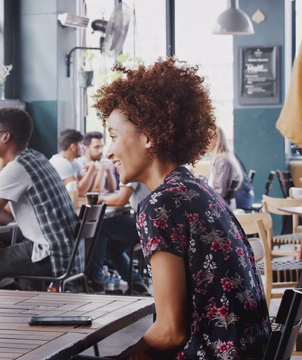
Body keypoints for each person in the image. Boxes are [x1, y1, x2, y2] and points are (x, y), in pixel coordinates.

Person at [94, 58, 270, 358]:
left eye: (113, 136)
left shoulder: (160, 204)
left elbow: (171, 331)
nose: (109, 150)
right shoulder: (199, 189)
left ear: (148, 136)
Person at [0, 107, 81, 287]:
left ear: (5, 137)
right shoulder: (37, 158)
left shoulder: (16, 168)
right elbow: (8, 218)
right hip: (66, 253)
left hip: (48, 255)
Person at [86, 182, 151, 295]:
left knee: (100, 228)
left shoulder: (132, 165)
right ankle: (136, 282)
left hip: (145, 223)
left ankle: (95, 280)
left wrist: (101, 198)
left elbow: (121, 199)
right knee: (111, 247)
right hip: (149, 223)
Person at [207, 126, 254, 210]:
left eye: (209, 139)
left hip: (240, 200)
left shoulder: (221, 160)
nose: (205, 142)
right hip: (242, 197)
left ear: (217, 140)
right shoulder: (225, 156)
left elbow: (220, 191)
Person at [49, 129, 93, 195]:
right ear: (73, 147)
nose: (83, 147)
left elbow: (88, 188)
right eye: (81, 144)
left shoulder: (74, 162)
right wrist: (92, 170)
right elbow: (79, 192)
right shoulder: (60, 163)